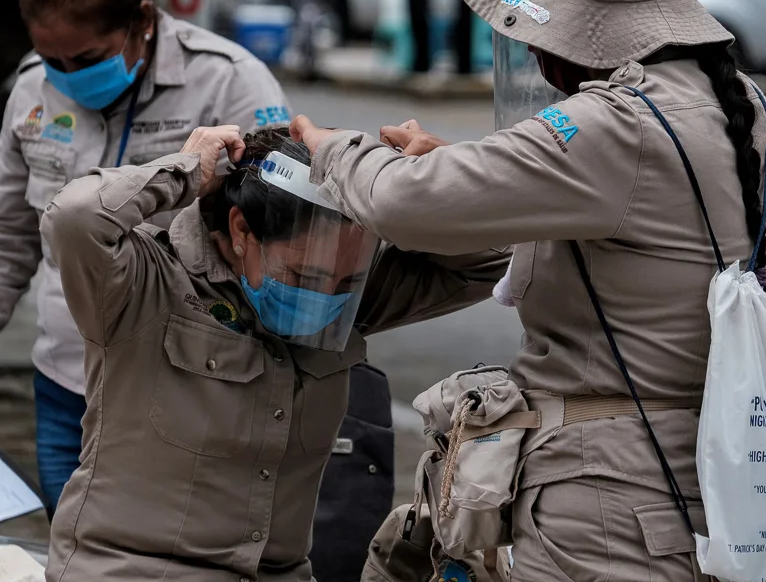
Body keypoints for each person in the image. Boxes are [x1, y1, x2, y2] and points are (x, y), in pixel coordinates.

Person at [290, 0, 766, 581]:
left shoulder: (618, 125)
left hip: (609, 498)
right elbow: (626, 228)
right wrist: (467, 168)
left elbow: (402, 202)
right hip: (703, 480)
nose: (526, 47)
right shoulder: (739, 103)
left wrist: (329, 150)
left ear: (578, 26)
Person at [39, 124, 508, 581]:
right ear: (241, 229)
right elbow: (74, 217)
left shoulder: (345, 306)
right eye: (304, 276)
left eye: (345, 282)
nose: (324, 296)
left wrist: (438, 185)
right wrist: (185, 171)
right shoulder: (145, 281)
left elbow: (498, 259)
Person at [0, 0, 290, 518]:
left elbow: (283, 234)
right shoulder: (30, 90)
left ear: (142, 20)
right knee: (72, 549)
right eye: (53, 60)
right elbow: (10, 239)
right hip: (64, 387)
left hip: (186, 386)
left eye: (85, 59)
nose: (66, 75)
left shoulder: (230, 81)